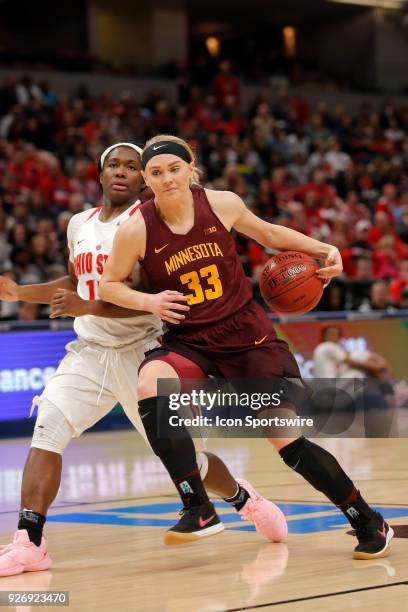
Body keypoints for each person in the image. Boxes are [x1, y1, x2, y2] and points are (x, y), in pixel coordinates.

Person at [99, 134, 393, 558]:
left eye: (174, 170)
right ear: (145, 178)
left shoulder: (221, 204)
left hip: (246, 338)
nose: (167, 179)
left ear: (190, 168)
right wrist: (148, 300)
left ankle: (367, 519)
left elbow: (270, 233)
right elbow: (109, 284)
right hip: (191, 341)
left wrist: (325, 248)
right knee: (151, 382)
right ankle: (197, 507)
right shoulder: (137, 227)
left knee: (288, 443)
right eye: (157, 173)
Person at [0, 143, 285, 577]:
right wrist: (22, 293)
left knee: (187, 457)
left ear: (144, 180)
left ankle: (244, 499)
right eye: (113, 165)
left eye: (132, 167)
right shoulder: (79, 223)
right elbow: (78, 282)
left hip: (144, 352)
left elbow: (151, 301)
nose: (121, 172)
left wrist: (88, 306)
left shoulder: (150, 226)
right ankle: (29, 542)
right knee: (49, 427)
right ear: (99, 174)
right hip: (90, 352)